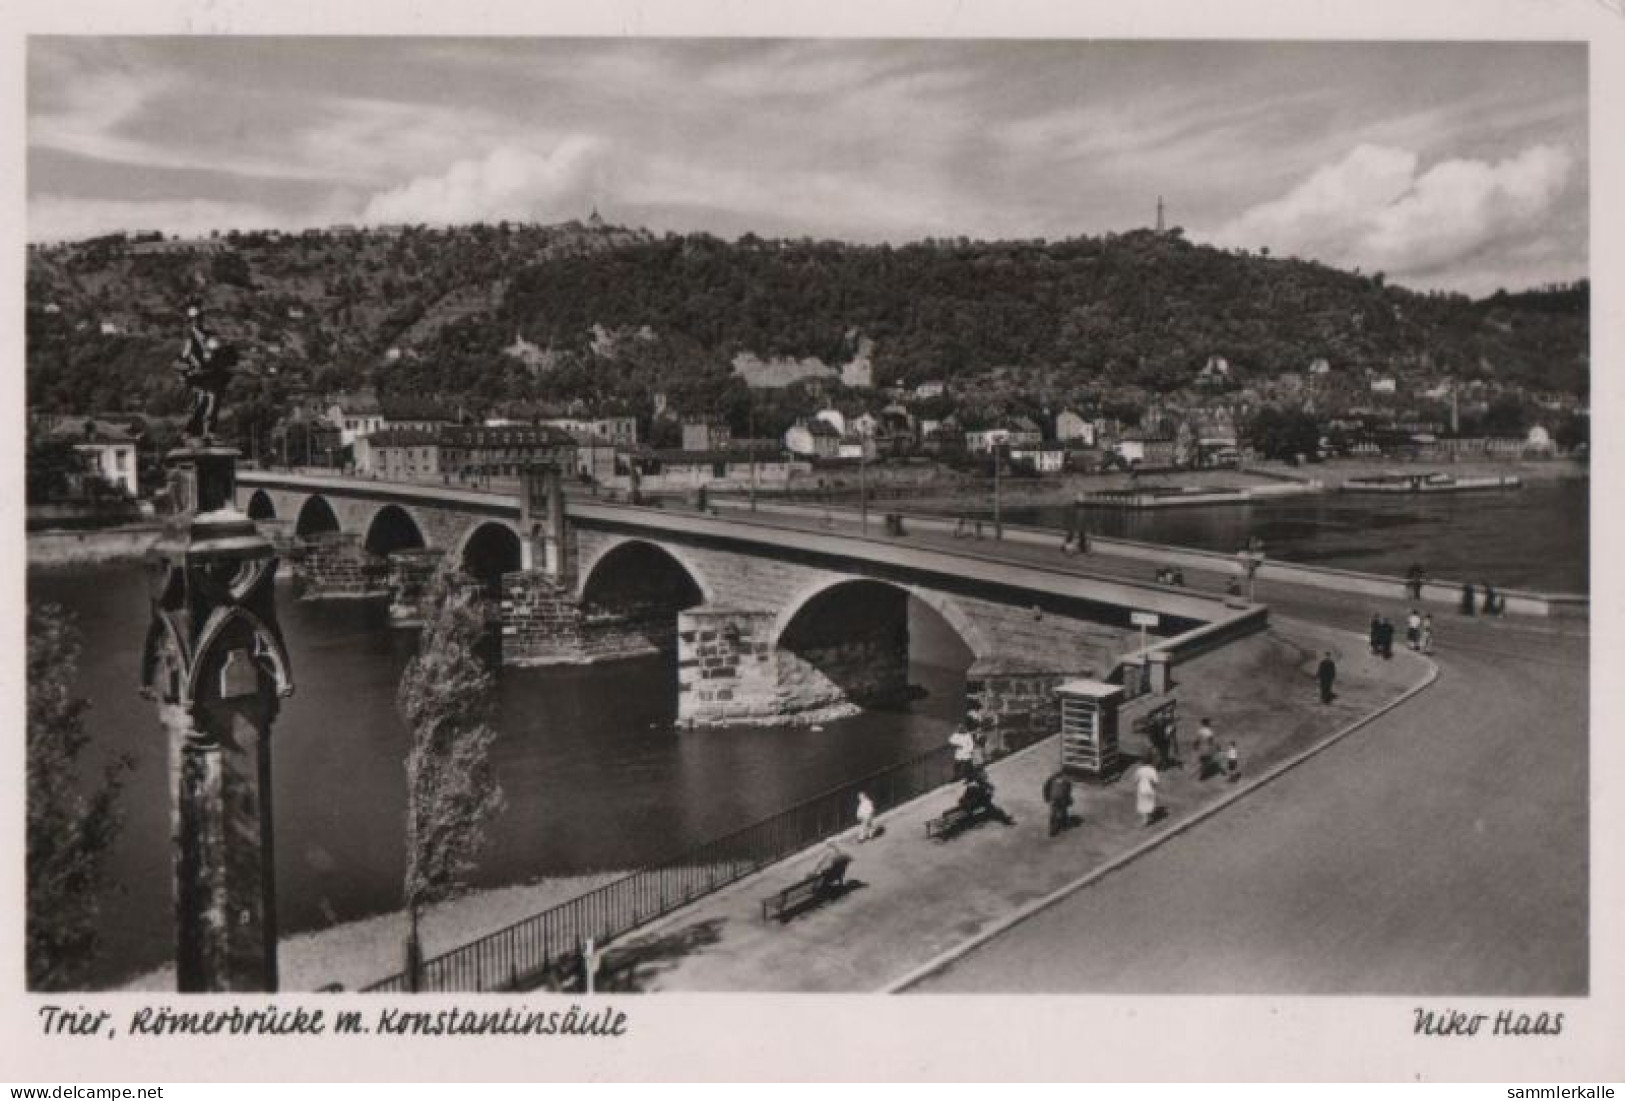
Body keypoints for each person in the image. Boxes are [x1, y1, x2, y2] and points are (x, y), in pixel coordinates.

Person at [1042, 769, 1074, 837]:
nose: (1064, 778)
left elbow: (1068, 792)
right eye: (1063, 776)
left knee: (1063, 812)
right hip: (1054, 800)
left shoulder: (1067, 782)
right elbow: (1046, 789)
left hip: (1063, 800)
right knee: (1053, 814)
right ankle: (1053, 829)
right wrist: (1047, 798)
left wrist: (1068, 799)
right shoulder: (1051, 780)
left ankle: (1064, 825)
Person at [1133, 758, 1161, 827]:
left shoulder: (1139, 770)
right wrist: (1154, 786)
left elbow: (1135, 780)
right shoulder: (1152, 770)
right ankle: (1148, 818)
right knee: (1149, 803)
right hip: (1149, 789)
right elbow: (1156, 781)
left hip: (1141, 788)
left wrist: (1138, 783)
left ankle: (1145, 820)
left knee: (1142, 804)